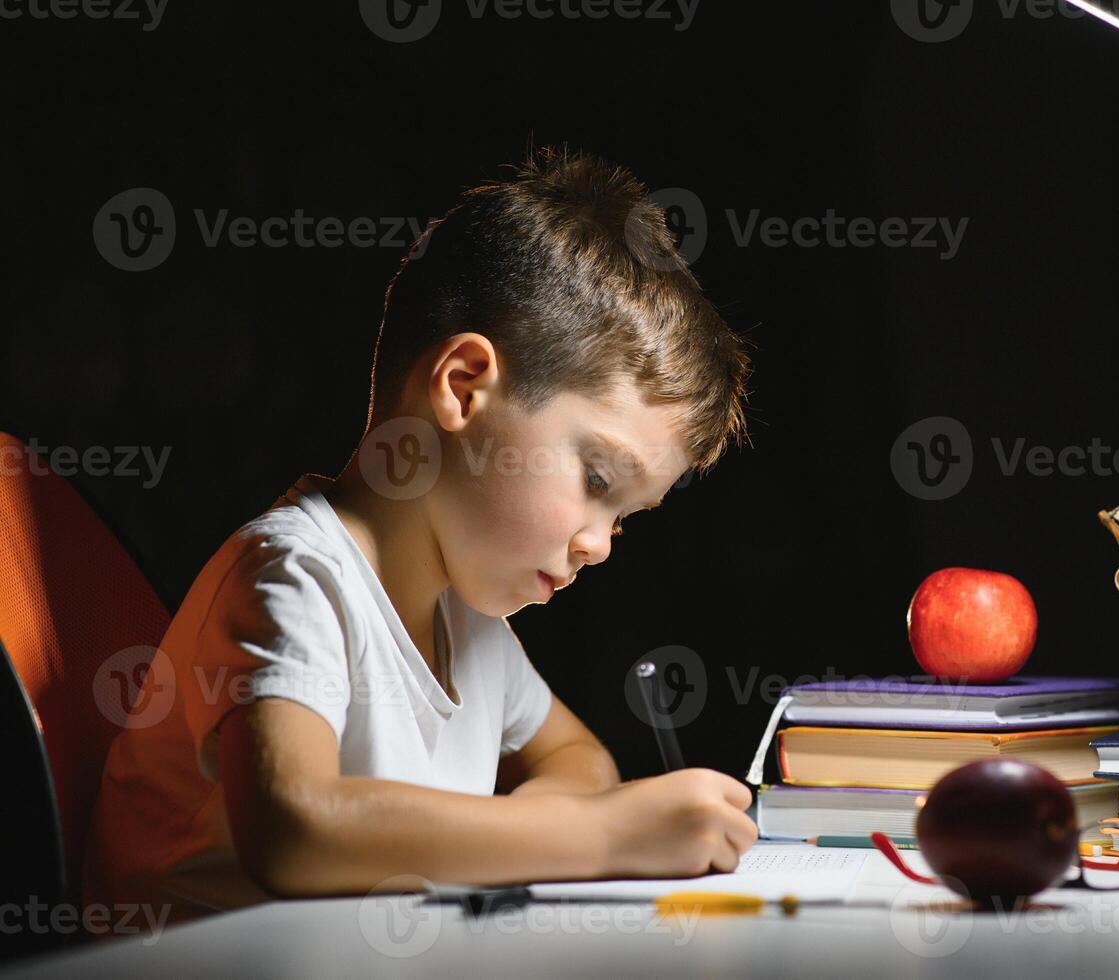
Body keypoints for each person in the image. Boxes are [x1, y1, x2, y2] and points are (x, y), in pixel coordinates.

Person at [84, 146, 758, 922]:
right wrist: (597, 835)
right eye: (597, 483)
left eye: (623, 519)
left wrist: (559, 824)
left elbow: (581, 759)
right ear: (463, 387)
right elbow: (294, 830)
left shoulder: (470, 622)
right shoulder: (295, 574)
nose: (599, 544)